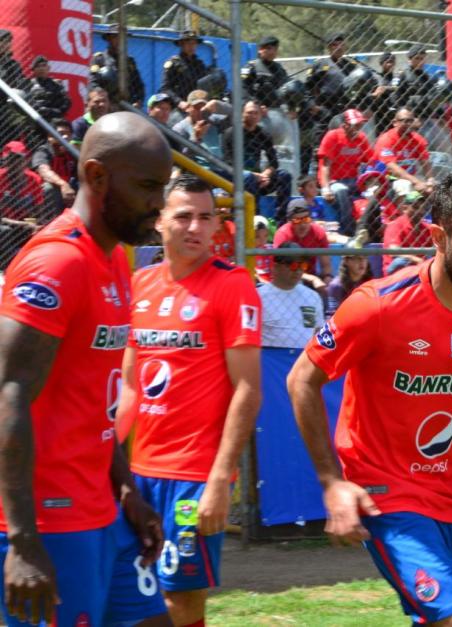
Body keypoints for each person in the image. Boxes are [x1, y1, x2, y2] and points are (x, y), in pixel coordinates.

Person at [286, 168, 452, 627]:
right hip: (387, 493)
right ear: (438, 236)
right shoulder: (377, 305)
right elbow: (301, 379)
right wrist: (330, 482)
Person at [0, 111, 171, 626]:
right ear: (96, 177)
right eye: (146, 187)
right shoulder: (57, 264)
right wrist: (23, 541)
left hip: (104, 510)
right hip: (50, 524)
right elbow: (8, 394)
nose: (158, 205)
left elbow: (97, 398)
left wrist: (124, 488)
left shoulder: (116, 258)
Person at [115, 174, 261, 625]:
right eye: (184, 216)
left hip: (194, 477)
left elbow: (248, 389)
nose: (196, 227)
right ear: (159, 221)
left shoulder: (232, 285)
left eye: (206, 217)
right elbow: (128, 387)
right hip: (139, 474)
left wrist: (220, 481)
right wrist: (107, 464)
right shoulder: (139, 283)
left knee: (181, 602)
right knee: (133, 596)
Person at [222, 100, 292, 224]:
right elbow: (228, 163)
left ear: (260, 115)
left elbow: (274, 162)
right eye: (249, 113)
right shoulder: (230, 133)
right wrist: (255, 176)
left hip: (260, 179)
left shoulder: (263, 134)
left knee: (285, 176)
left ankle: (280, 221)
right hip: (237, 180)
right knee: (249, 177)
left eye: (256, 113)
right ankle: (254, 221)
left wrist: (266, 174)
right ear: (242, 114)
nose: (253, 116)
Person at [303, 32, 356, 175]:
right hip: (324, 111)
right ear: (329, 47)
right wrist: (312, 106)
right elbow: (307, 88)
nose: (338, 47)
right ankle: (315, 181)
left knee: (343, 146)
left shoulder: (351, 66)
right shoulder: (320, 65)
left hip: (345, 113)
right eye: (334, 44)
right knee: (319, 148)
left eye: (341, 44)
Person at [317, 108, 373, 236]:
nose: (358, 129)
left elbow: (372, 161)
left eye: (360, 125)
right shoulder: (333, 136)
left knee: (375, 193)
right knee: (341, 191)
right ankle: (348, 231)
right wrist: (326, 188)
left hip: (354, 181)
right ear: (344, 125)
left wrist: (372, 184)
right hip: (334, 181)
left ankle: (372, 231)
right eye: (355, 125)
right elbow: (325, 166)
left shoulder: (361, 138)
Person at [258, 242, 325, 348]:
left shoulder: (312, 296)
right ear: (276, 267)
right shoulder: (259, 297)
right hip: (271, 361)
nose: (298, 270)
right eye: (293, 265)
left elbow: (318, 332)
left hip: (304, 359)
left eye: (302, 265)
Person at [0, 140, 43, 270]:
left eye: (18, 159)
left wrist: (35, 224)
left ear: (25, 160)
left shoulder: (34, 179)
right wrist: (22, 224)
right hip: (6, 225)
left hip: (26, 224)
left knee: (41, 231)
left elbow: (39, 209)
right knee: (5, 231)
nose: (14, 163)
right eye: (10, 159)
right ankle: (7, 269)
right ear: (5, 161)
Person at [273, 201, 334, 290]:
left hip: (311, 278)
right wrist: (313, 279)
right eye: (297, 220)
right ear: (289, 221)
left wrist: (327, 278)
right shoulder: (283, 235)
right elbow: (283, 269)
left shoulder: (318, 232)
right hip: (289, 278)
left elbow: (326, 266)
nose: (303, 225)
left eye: (306, 219)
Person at [374, 107, 434, 193]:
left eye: (411, 120)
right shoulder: (386, 139)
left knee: (434, 189)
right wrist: (415, 182)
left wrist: (430, 180)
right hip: (387, 179)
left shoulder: (417, 139)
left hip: (410, 178)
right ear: (395, 123)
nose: (409, 124)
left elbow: (425, 162)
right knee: (404, 185)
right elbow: (391, 168)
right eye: (405, 121)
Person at [90, 24, 144, 106]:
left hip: (127, 105)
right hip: (105, 106)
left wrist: (138, 100)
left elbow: (139, 85)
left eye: (123, 38)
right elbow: (93, 84)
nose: (120, 41)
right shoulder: (99, 59)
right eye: (116, 37)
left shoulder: (129, 61)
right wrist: (103, 99)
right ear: (109, 39)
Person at [31, 119, 77, 217]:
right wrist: (63, 185)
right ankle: (50, 222)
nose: (65, 137)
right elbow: (43, 170)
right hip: (45, 194)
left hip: (67, 189)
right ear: (50, 137)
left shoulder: (71, 152)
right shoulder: (43, 151)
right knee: (49, 188)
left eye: (68, 134)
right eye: (60, 133)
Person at [382, 191, 432, 274]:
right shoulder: (395, 225)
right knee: (400, 261)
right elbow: (394, 252)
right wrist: (415, 259)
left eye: (423, 208)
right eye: (415, 207)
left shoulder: (426, 227)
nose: (420, 211)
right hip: (396, 270)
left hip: (420, 268)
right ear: (405, 208)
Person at [159, 30, 210, 108]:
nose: (192, 46)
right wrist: (179, 102)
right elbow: (165, 88)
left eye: (194, 43)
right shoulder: (173, 63)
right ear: (181, 44)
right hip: (179, 105)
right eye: (188, 43)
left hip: (197, 104)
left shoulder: (199, 64)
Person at [241, 35, 288, 108]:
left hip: (278, 109)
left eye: (275, 49)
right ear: (260, 50)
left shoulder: (279, 68)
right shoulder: (251, 67)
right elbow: (242, 89)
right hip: (257, 110)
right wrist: (255, 105)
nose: (272, 52)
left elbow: (287, 86)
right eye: (269, 48)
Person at [25, 55, 71, 126]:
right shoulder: (27, 84)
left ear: (48, 68)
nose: (41, 68)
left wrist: (53, 111)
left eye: (43, 65)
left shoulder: (56, 85)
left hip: (52, 121)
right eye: (38, 66)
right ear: (33, 69)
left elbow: (67, 102)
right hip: (33, 121)